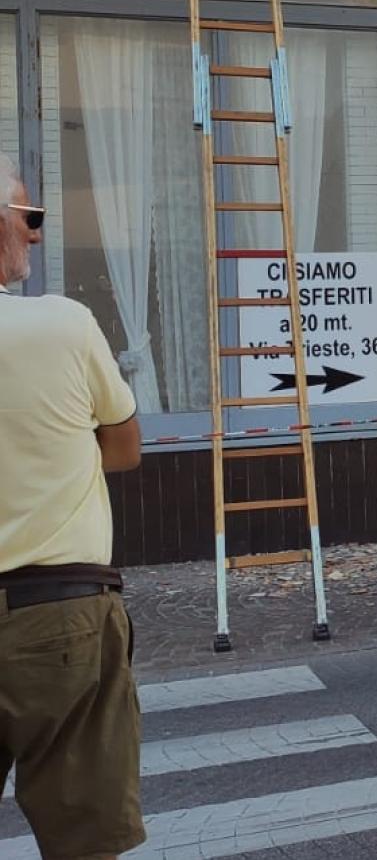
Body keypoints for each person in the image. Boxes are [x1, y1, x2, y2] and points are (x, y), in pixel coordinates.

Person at [0, 153, 146, 859]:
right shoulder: (60, 325)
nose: (35, 235)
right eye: (30, 217)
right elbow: (123, 447)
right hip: (56, 610)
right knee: (84, 841)